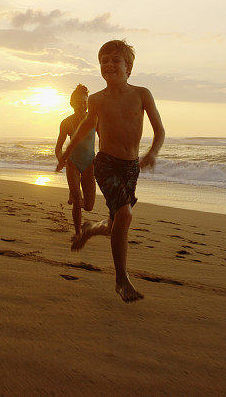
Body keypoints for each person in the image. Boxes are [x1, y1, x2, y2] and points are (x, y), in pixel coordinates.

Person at [56, 40, 165, 303]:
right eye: (104, 60)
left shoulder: (142, 94)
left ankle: (93, 229)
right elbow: (84, 128)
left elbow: (159, 130)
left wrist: (152, 153)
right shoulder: (96, 100)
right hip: (105, 164)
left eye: (115, 60)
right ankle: (121, 279)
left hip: (131, 167)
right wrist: (66, 154)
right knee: (125, 215)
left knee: (117, 222)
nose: (109, 64)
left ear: (129, 67)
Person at [54, 84, 96, 236]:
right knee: (78, 201)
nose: (82, 105)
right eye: (78, 102)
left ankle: (74, 195)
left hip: (89, 164)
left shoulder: (94, 119)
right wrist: (61, 159)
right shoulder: (66, 122)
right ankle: (78, 233)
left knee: (89, 206)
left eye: (85, 102)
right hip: (73, 164)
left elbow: (105, 141)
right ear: (72, 103)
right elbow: (58, 147)